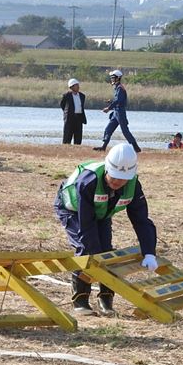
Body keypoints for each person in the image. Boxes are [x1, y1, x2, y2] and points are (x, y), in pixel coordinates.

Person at [55, 144, 158, 316]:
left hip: (102, 212)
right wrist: (95, 256)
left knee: (107, 252)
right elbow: (86, 226)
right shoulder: (88, 181)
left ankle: (106, 300)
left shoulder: (133, 186)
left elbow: (141, 220)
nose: (117, 182)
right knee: (87, 250)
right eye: (114, 177)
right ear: (107, 169)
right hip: (73, 210)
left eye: (122, 179)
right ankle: (80, 300)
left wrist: (149, 252)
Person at [95, 70, 141, 153]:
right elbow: (117, 100)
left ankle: (136, 147)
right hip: (116, 112)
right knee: (108, 129)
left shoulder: (120, 88)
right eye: (111, 77)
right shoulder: (117, 87)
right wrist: (111, 102)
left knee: (125, 131)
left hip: (120, 112)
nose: (111, 79)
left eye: (113, 77)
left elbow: (118, 101)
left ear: (118, 78)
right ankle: (103, 147)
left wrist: (108, 108)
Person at [60, 78, 87, 145]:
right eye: (76, 85)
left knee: (78, 136)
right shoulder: (66, 95)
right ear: (71, 87)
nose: (78, 87)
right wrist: (67, 112)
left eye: (78, 85)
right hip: (69, 118)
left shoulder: (82, 96)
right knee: (67, 136)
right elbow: (62, 105)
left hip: (79, 118)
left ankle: (77, 149)